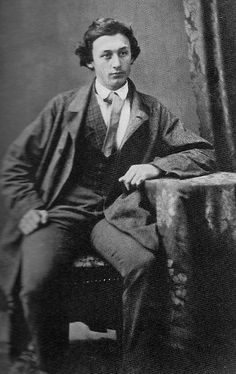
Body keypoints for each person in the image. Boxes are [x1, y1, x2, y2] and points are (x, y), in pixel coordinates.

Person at [0, 18, 216, 374]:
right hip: (62, 212)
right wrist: (30, 207)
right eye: (105, 56)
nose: (116, 63)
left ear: (132, 57)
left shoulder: (152, 109)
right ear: (90, 61)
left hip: (116, 213)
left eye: (123, 53)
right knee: (35, 281)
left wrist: (156, 166)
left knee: (144, 266)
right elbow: (16, 163)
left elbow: (203, 152)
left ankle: (136, 365)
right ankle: (49, 364)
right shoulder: (63, 107)